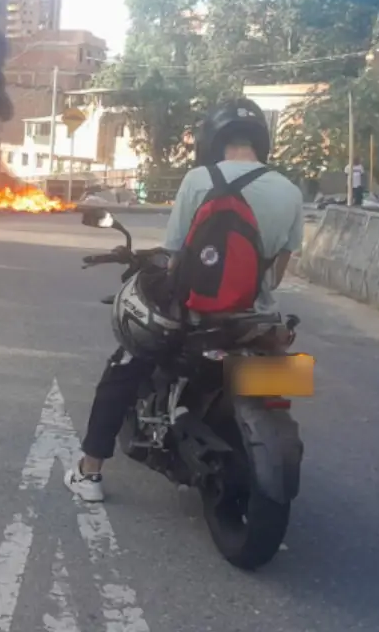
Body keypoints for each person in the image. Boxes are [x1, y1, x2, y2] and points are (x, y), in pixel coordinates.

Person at [65, 98, 305, 503]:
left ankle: (89, 473)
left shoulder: (199, 179)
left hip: (198, 315)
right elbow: (276, 276)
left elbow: (174, 254)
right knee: (286, 374)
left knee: (124, 365)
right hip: (257, 319)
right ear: (262, 141)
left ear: (212, 140)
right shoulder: (290, 190)